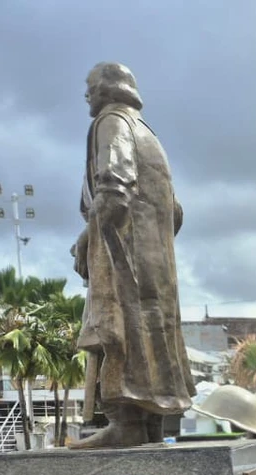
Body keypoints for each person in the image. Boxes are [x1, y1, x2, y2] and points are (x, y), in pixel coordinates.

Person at [70, 62, 194, 449]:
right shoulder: (149, 135)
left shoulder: (112, 123)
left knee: (117, 332)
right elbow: (175, 212)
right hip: (156, 267)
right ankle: (149, 426)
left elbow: (114, 187)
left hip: (121, 255)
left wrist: (92, 238)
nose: (87, 94)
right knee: (153, 338)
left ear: (110, 89)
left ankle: (125, 425)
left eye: (91, 86)